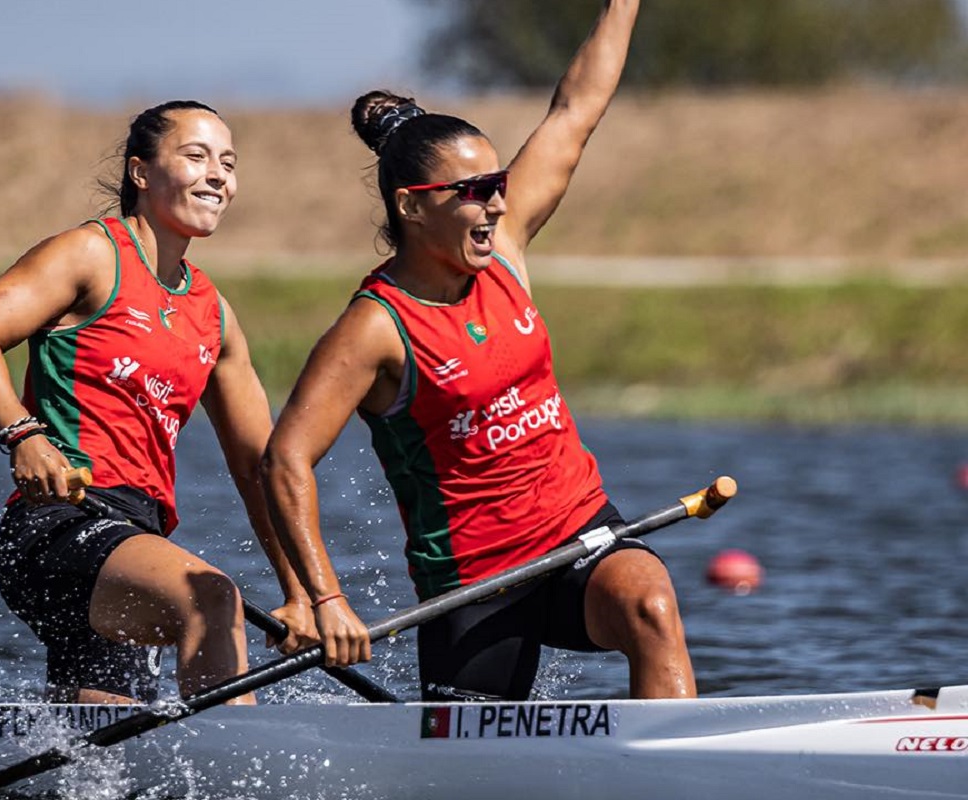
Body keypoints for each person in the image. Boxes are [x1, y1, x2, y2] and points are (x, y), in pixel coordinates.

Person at [261, 0, 694, 701]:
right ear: (410, 206)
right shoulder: (374, 328)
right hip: (474, 580)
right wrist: (326, 598)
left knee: (650, 603)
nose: (496, 204)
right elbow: (285, 460)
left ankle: (680, 770)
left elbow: (574, 111)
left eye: (497, 186)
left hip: (579, 532)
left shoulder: (505, 252)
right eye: (473, 192)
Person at [0, 100, 315, 705]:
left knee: (103, 758)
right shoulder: (90, 255)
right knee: (211, 598)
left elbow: (258, 467)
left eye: (228, 161)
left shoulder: (215, 315)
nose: (218, 175)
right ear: (141, 173)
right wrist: (24, 435)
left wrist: (302, 592)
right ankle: (240, 772)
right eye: (196, 157)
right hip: (60, 523)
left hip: (135, 541)